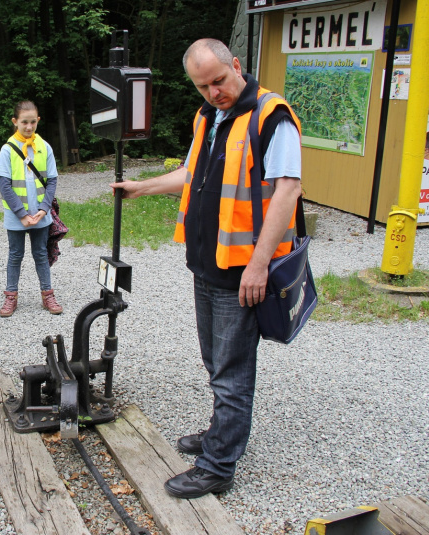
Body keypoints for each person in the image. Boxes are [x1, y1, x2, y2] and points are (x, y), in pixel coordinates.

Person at [110, 39, 302, 499]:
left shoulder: (271, 117)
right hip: (207, 264)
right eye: (203, 86)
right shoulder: (208, 116)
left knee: (232, 371)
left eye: (219, 80)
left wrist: (259, 266)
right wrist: (144, 187)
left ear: (237, 65)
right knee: (216, 362)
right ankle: (223, 434)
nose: (214, 91)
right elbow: (190, 173)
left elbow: (287, 192)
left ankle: (218, 466)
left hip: (243, 273)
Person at [0, 101, 62, 317]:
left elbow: (51, 181)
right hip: (17, 217)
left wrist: (43, 209)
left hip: (41, 215)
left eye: (33, 121)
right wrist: (21, 215)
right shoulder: (7, 149)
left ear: (38, 120)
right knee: (15, 255)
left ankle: (47, 294)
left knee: (41, 254)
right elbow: (4, 185)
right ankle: (10, 297)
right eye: (24, 122)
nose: (29, 126)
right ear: (15, 122)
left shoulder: (45, 147)